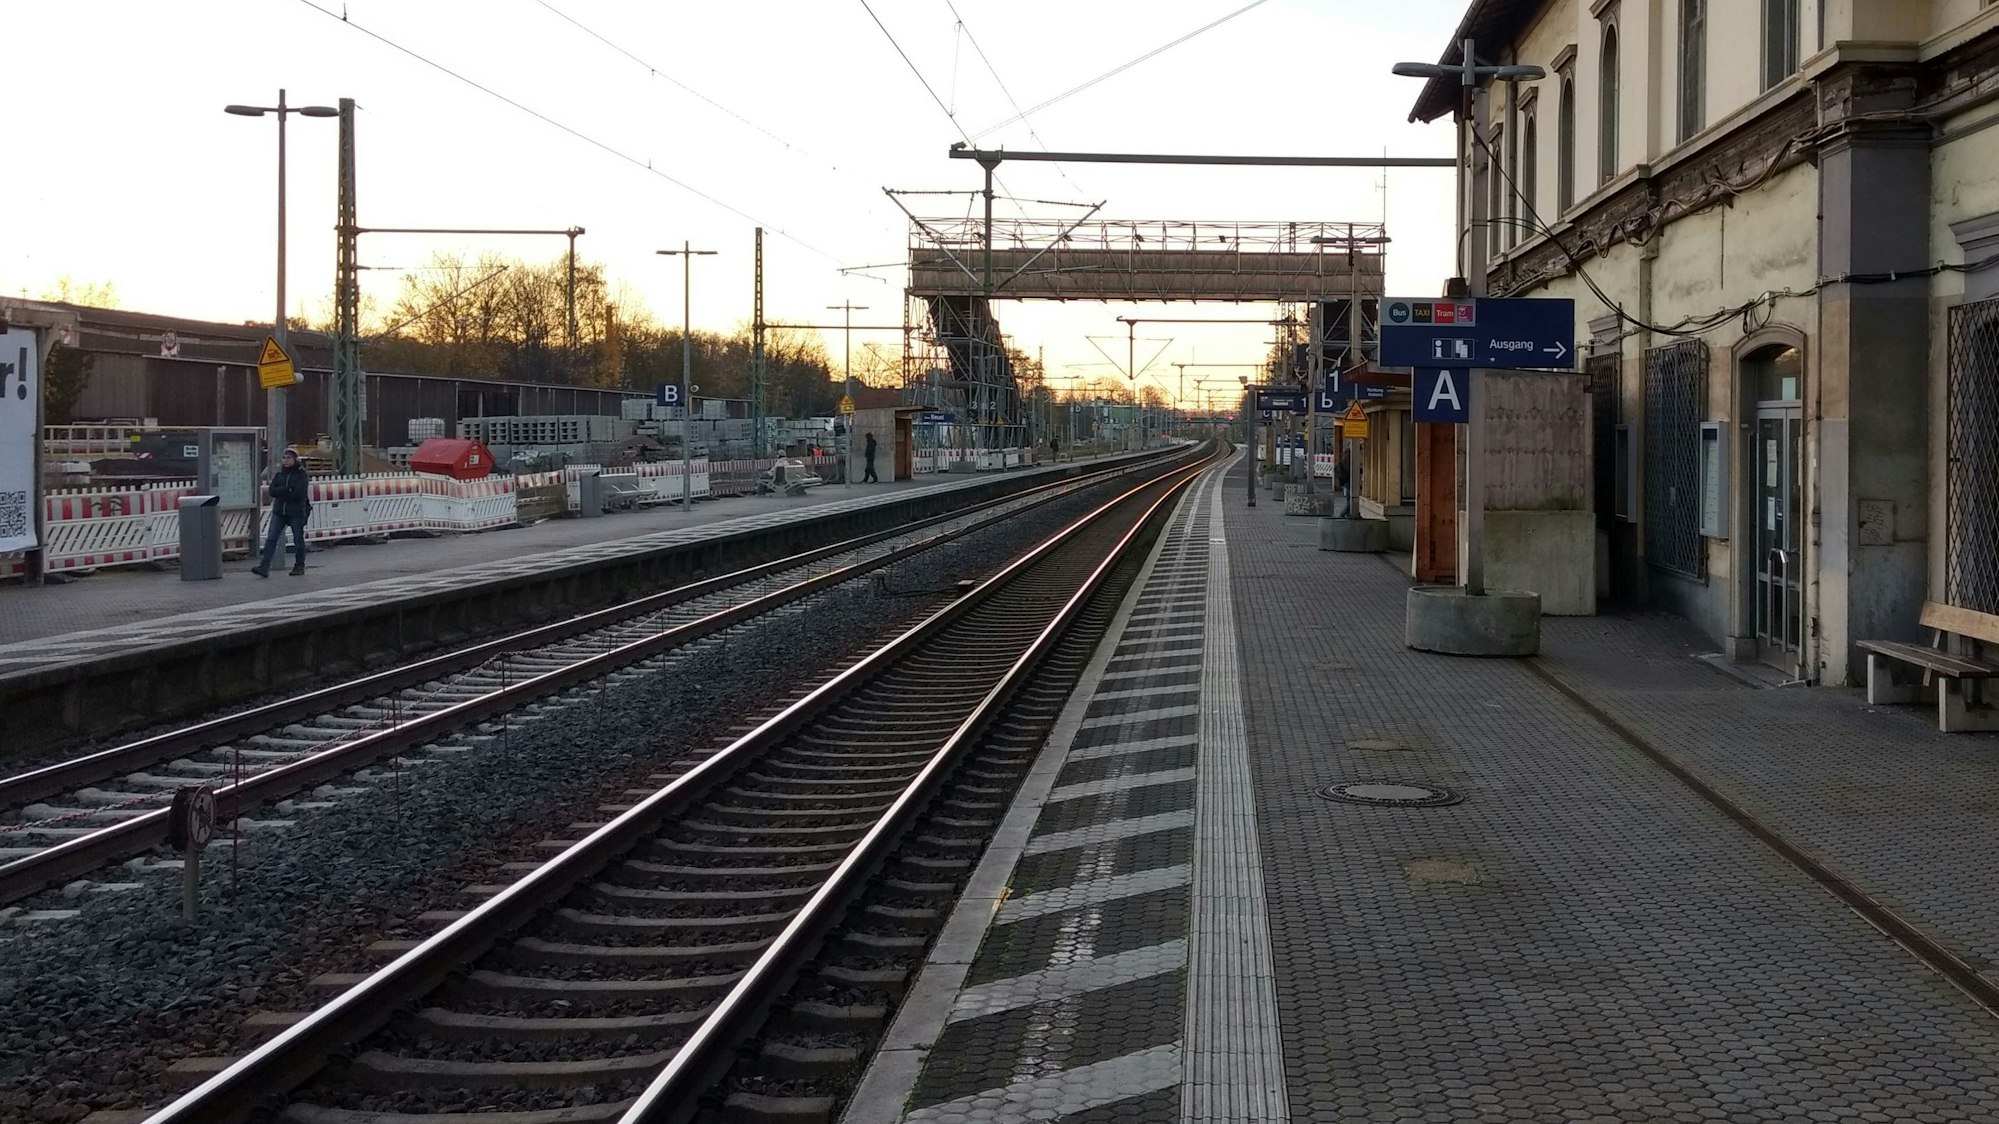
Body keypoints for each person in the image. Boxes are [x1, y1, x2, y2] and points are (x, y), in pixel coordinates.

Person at [254, 449, 311, 577]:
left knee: (298, 539)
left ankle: (299, 565)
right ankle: (264, 566)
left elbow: (299, 493)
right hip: (280, 511)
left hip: (296, 512)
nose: (286, 460)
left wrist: (282, 492)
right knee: (271, 538)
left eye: (289, 458)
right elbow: (272, 491)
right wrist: (287, 490)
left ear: (295, 459)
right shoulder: (279, 475)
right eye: (284, 458)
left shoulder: (301, 475)